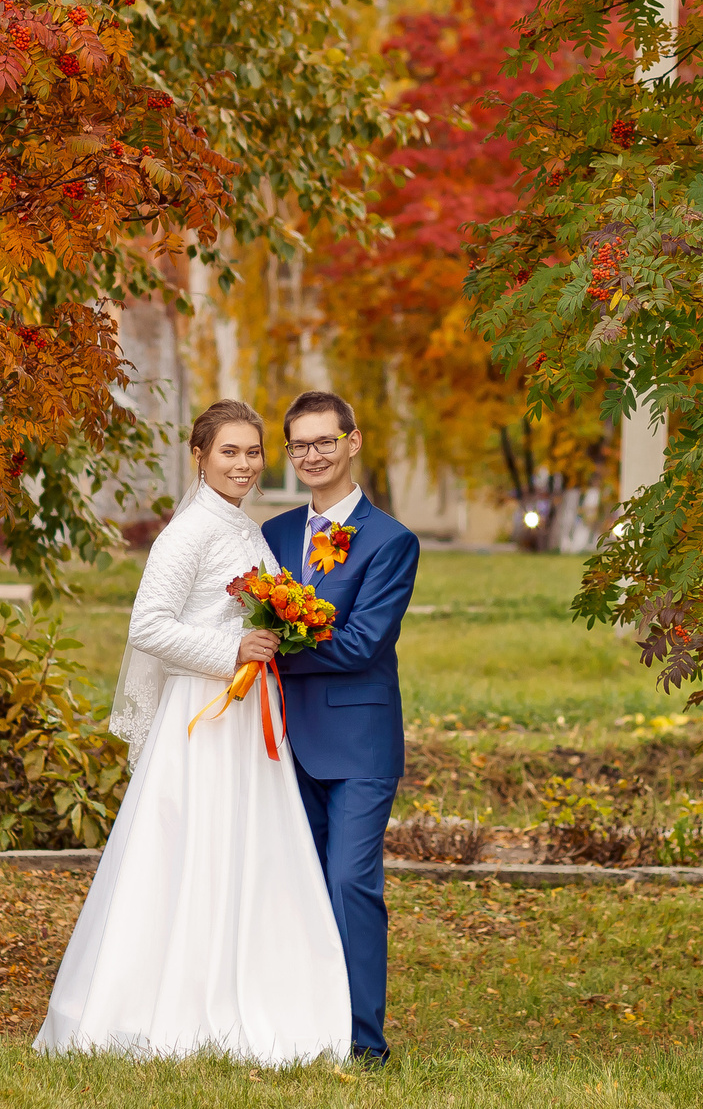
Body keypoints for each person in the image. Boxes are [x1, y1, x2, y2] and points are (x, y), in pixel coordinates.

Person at [33, 399, 351, 1065]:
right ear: (199, 457)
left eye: (253, 452)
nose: (244, 464)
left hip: (248, 716)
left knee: (248, 850)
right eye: (229, 452)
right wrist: (232, 650)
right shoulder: (189, 532)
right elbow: (147, 625)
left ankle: (251, 987)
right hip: (204, 715)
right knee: (192, 852)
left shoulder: (244, 527)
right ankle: (166, 1002)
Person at [259, 390, 419, 1069]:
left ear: (353, 442)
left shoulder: (391, 541)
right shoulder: (270, 535)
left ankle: (362, 1041)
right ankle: (301, 1027)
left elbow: (361, 644)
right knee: (290, 883)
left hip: (358, 745)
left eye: (325, 440)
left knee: (351, 883)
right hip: (278, 741)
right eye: (300, 444)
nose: (313, 454)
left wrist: (269, 651)